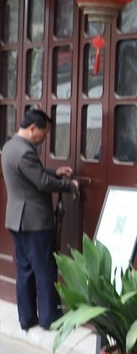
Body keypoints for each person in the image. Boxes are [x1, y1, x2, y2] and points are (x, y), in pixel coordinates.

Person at [1, 108, 79, 331]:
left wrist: (55, 172)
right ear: (33, 128)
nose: (45, 138)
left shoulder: (10, 147)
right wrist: (69, 186)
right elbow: (41, 182)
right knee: (45, 270)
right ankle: (49, 318)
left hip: (17, 220)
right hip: (34, 222)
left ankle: (27, 317)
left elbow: (31, 174)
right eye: (44, 133)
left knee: (25, 270)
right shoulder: (25, 151)